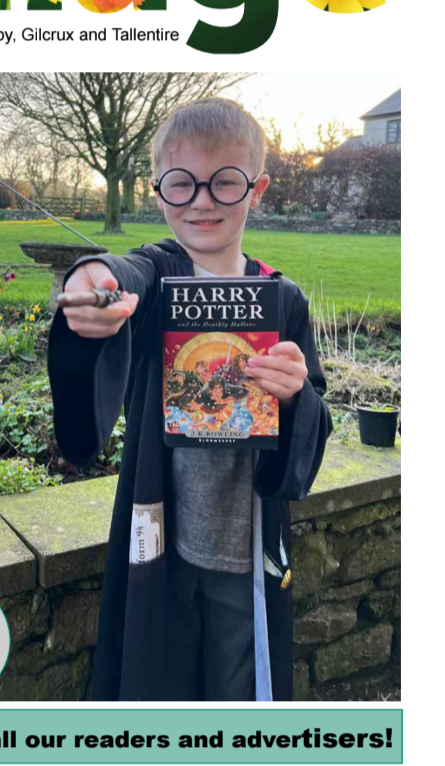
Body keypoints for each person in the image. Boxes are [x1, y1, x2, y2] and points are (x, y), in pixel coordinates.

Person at [47, 98, 332, 701]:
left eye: (224, 182)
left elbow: (314, 418)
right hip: (162, 538)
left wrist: (294, 396)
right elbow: (126, 271)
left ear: (257, 189)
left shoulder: (283, 299)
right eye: (181, 183)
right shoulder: (156, 279)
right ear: (158, 192)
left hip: (245, 548)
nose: (201, 201)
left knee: (238, 692)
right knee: (157, 683)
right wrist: (92, 280)